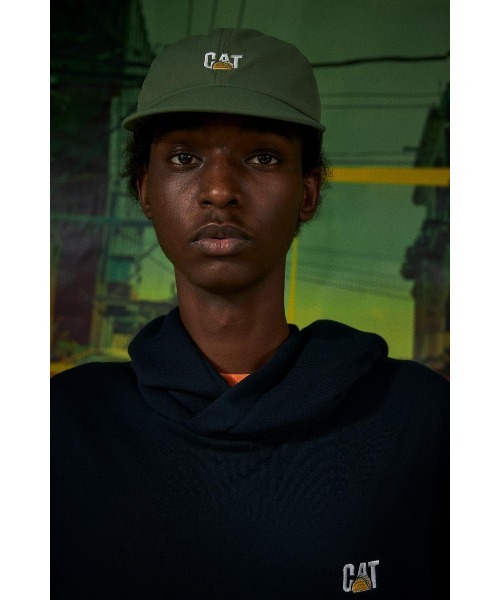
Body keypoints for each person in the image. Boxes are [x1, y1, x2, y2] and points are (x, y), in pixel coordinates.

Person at [51, 28, 449, 599]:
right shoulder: (61, 426)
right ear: (145, 191)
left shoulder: (419, 421)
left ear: (307, 194)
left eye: (262, 156)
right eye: (184, 157)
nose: (219, 190)